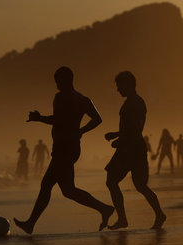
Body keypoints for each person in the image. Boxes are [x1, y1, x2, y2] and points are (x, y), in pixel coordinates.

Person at [14, 67, 114, 234]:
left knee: (47, 184)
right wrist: (80, 131)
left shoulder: (61, 97)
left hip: (63, 148)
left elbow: (58, 120)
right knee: (68, 190)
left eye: (58, 81)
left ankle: (30, 223)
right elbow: (98, 119)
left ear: (66, 80)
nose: (56, 85)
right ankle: (104, 209)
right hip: (72, 147)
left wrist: (39, 118)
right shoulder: (83, 99)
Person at [104, 71, 166, 230]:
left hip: (131, 148)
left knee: (119, 182)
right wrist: (116, 134)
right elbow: (131, 128)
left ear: (128, 84)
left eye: (119, 86)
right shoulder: (134, 102)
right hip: (131, 146)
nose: (118, 90)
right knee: (137, 185)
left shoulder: (135, 103)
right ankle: (155, 215)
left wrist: (119, 140)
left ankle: (127, 218)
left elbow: (136, 128)